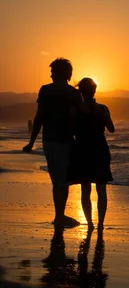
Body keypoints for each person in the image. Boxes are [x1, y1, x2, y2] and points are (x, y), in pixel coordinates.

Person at [23, 58, 83, 228]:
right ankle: (59, 216)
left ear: (58, 73)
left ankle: (59, 215)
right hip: (66, 140)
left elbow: (39, 117)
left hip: (49, 140)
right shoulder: (73, 93)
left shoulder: (45, 91)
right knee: (63, 180)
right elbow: (77, 119)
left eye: (52, 71)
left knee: (56, 180)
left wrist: (31, 142)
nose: (50, 74)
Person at [68, 77, 115, 232]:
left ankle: (90, 224)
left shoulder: (75, 109)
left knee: (85, 189)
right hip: (100, 148)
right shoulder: (103, 108)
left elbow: (71, 130)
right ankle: (101, 224)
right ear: (95, 90)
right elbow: (111, 128)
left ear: (80, 91)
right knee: (101, 189)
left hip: (82, 148)